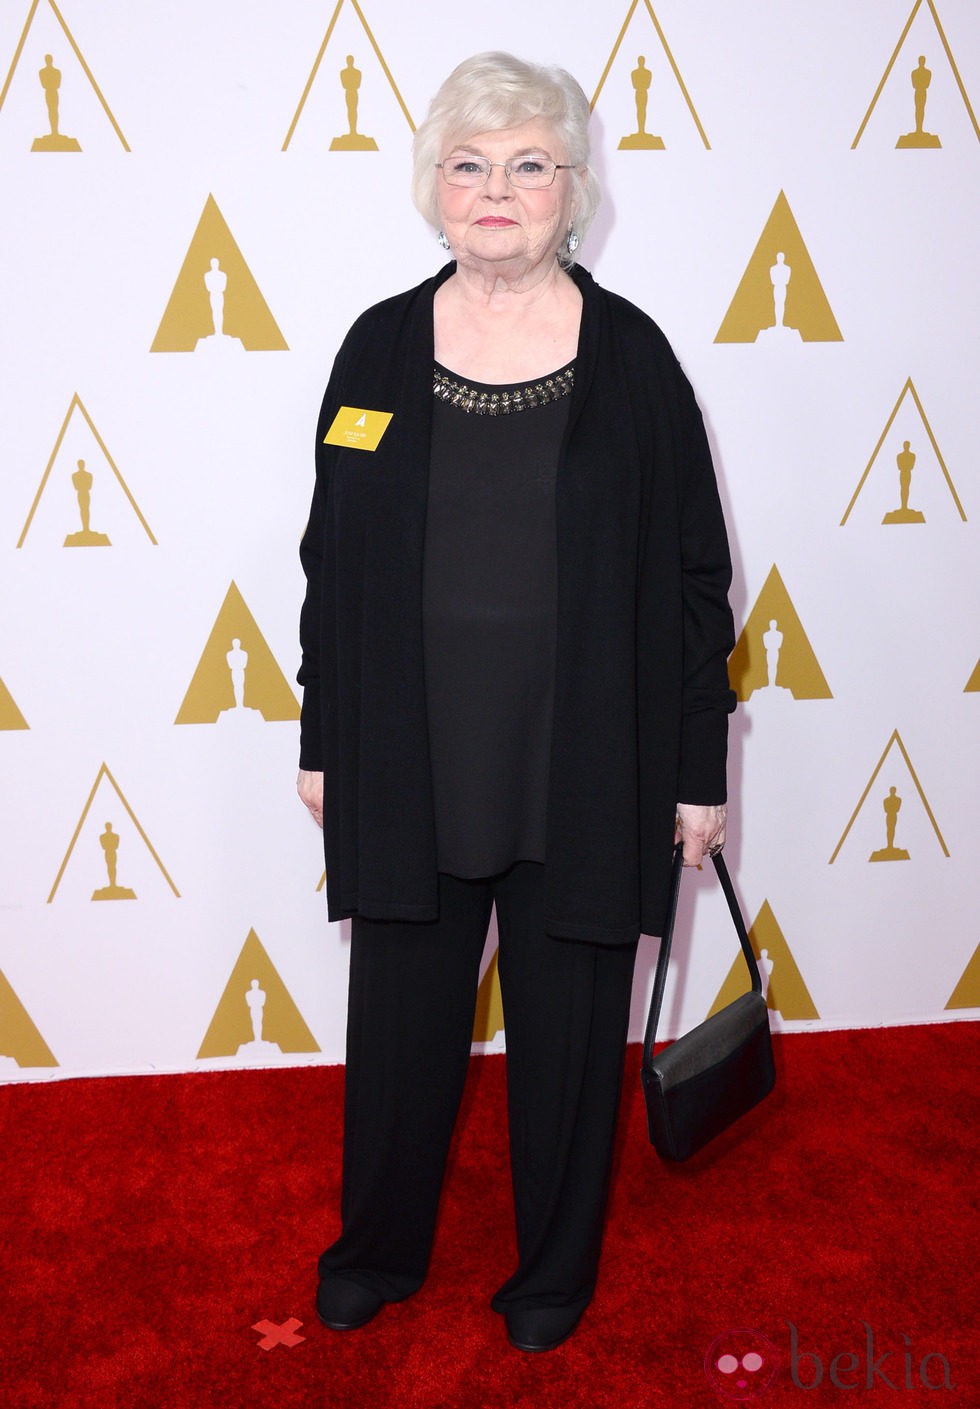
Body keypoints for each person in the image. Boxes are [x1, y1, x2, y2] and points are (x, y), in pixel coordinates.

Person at [296, 52, 736, 1354]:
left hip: (586, 761)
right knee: (399, 1034)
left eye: (530, 164)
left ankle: (551, 1270)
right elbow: (333, 559)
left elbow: (694, 580)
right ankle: (376, 1248)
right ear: (436, 189)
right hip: (411, 756)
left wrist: (699, 769)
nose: (499, 191)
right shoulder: (378, 344)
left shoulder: (637, 361)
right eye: (472, 165)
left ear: (574, 192)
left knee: (564, 1035)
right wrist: (326, 733)